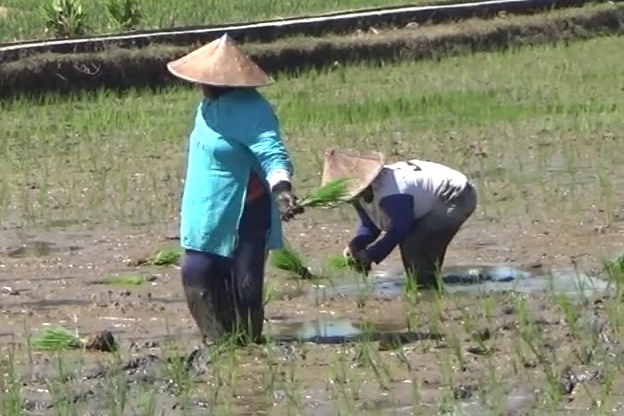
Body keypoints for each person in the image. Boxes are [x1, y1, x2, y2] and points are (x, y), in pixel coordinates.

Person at [166, 34, 299, 347]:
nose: (200, 85)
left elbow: (271, 151)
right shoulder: (208, 105)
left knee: (246, 288)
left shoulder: (253, 109)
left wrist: (281, 188)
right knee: (197, 270)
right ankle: (217, 341)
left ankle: (248, 345)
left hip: (246, 210)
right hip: (205, 207)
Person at [320, 148, 478, 290]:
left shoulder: (391, 192)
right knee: (421, 250)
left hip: (457, 197)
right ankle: (426, 286)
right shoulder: (360, 193)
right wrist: (356, 245)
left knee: (415, 243)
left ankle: (425, 291)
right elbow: (371, 225)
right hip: (432, 198)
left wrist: (372, 255)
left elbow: (402, 226)